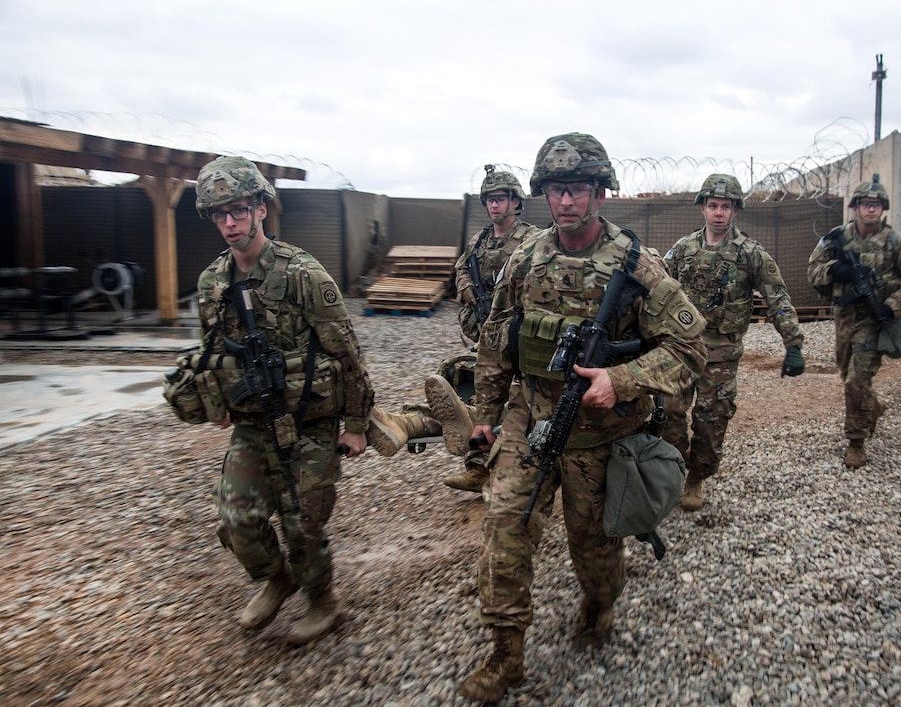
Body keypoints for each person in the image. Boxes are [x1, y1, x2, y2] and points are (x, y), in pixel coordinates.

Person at [456, 133, 707, 702]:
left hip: (603, 433)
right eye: (556, 190)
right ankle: (505, 654)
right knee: (505, 532)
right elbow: (497, 340)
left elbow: (689, 350)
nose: (566, 201)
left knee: (593, 551)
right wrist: (486, 414)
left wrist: (620, 380)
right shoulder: (526, 258)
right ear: (543, 195)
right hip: (532, 419)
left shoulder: (639, 265)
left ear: (599, 191)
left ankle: (599, 604)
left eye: (577, 189)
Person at [183, 156, 430, 645]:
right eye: (218, 213)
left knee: (303, 524)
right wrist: (216, 401)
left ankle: (323, 601)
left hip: (310, 421)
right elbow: (212, 353)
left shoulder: (303, 274)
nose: (229, 222)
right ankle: (277, 578)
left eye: (236, 209)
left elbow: (347, 353)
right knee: (237, 519)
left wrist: (357, 423)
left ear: (259, 207)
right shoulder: (213, 282)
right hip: (254, 424)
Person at [661, 174, 805, 511]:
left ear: (735, 211)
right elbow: (659, 291)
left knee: (711, 421)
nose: (718, 213)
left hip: (721, 355)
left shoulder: (750, 254)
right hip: (682, 349)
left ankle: (696, 477)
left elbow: (777, 296)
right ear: (703, 209)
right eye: (713, 205)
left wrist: (793, 344)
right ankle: (674, 466)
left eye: (726, 207)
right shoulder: (683, 249)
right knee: (666, 411)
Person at [807, 174, 901, 468]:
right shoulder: (837, 238)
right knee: (846, 374)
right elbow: (813, 271)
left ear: (883, 208)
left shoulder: (894, 242)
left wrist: (892, 305)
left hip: (875, 320)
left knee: (856, 380)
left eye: (876, 205)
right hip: (845, 318)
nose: (870, 210)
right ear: (855, 207)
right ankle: (872, 406)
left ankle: (856, 442)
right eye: (865, 204)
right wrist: (836, 270)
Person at [426, 164, 536, 492]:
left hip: (518, 335)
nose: (494, 205)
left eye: (501, 198)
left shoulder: (531, 239)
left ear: (516, 202)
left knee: (518, 401)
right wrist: (464, 287)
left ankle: (512, 473)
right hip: (485, 335)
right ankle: (478, 467)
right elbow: (462, 265)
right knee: (484, 394)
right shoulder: (480, 239)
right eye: (489, 199)